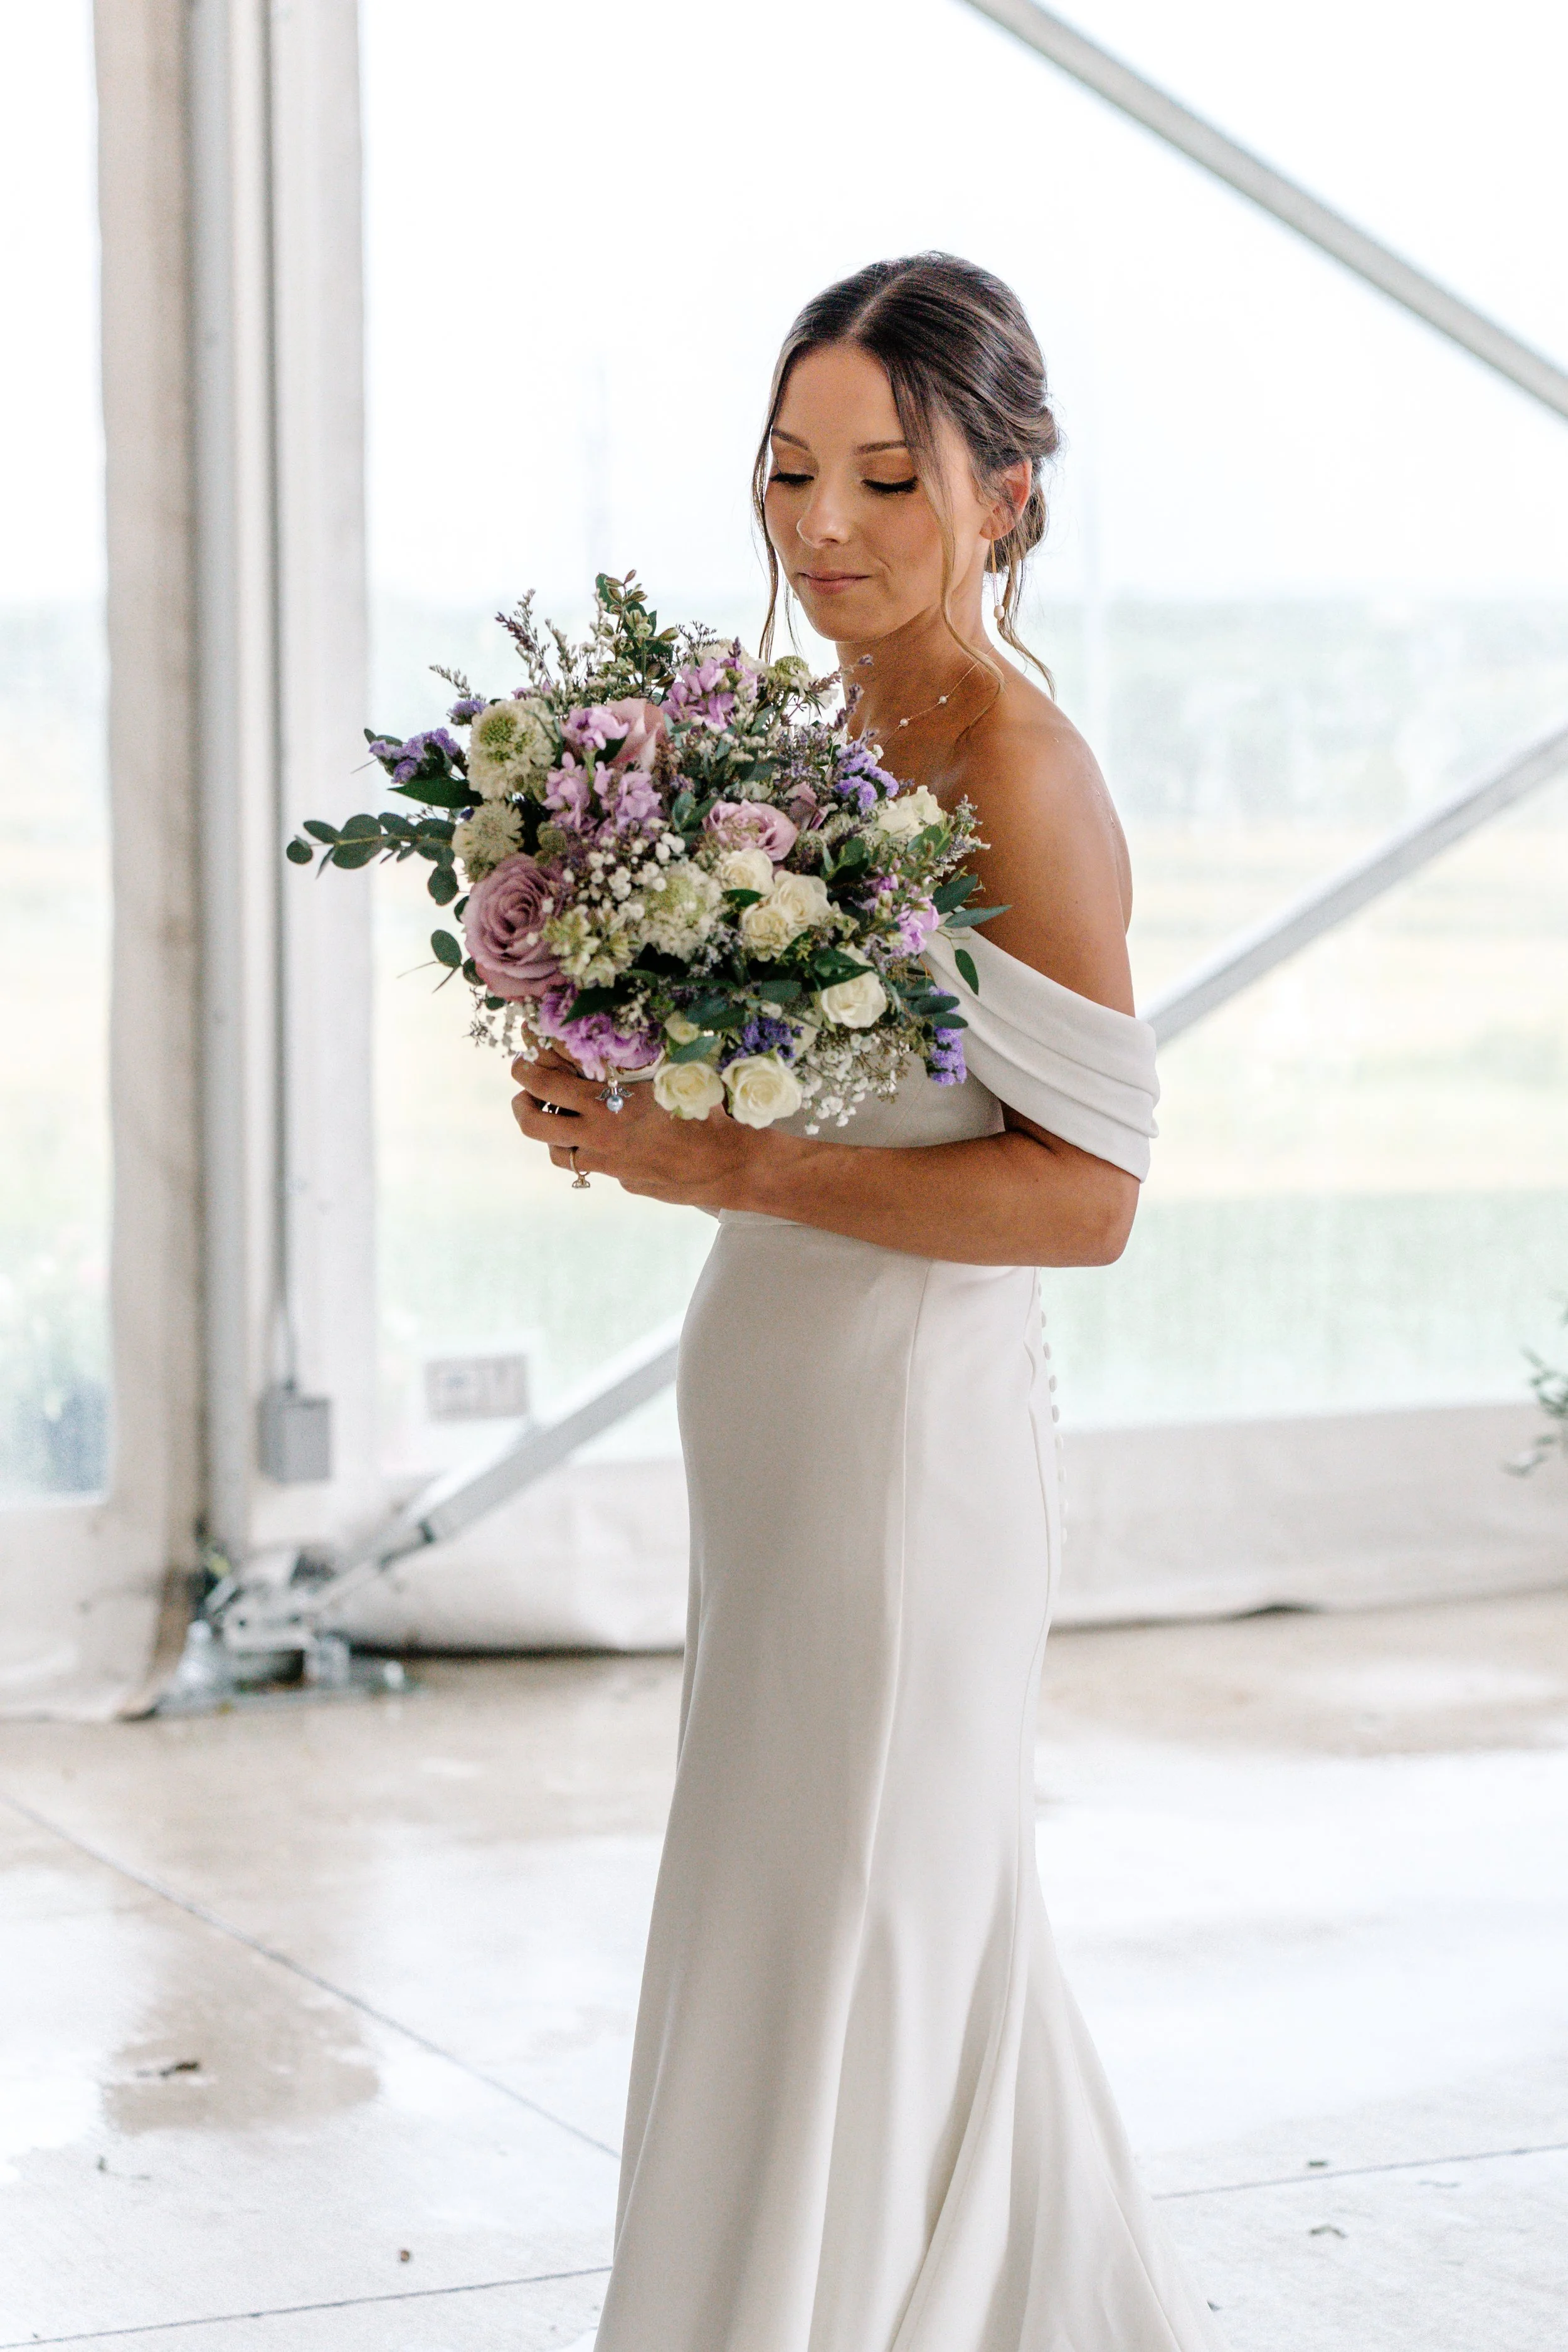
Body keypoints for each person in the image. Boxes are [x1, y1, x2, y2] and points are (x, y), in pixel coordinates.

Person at [512, 253, 1224, 2352]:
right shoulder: (827, 735)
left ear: (1004, 492)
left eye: (889, 480)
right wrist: (631, 1066)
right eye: (792, 471)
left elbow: (1088, 1198)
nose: (824, 527)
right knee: (833, 1927)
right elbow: (870, 1081)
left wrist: (731, 1164)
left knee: (850, 1935)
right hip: (784, 1437)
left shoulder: (1014, 767)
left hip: (909, 1471)